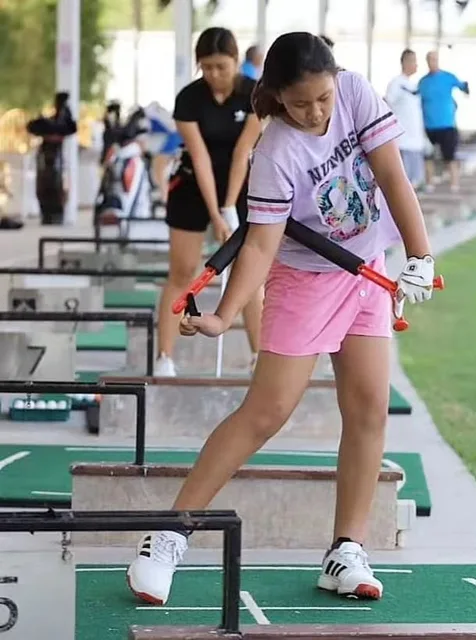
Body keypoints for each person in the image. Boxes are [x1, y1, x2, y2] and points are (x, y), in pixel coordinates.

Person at [126, 31, 435, 605]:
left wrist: (419, 255)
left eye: (322, 98)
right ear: (275, 96)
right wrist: (223, 316)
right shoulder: (273, 152)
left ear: (335, 80)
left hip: (363, 271)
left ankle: (346, 549)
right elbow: (263, 248)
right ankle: (168, 535)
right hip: (303, 283)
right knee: (266, 411)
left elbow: (393, 176)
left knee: (368, 407)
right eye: (300, 103)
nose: (315, 112)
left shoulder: (357, 94)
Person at [154, 27, 264, 376]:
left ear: (236, 61)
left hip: (243, 185)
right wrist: (216, 215)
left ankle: (258, 357)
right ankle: (165, 357)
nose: (215, 74)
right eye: (207, 67)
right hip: (191, 185)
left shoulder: (256, 95)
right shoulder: (189, 98)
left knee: (249, 274)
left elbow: (242, 152)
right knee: (183, 271)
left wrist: (229, 207)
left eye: (222, 66)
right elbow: (199, 157)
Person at [417, 50, 469, 192]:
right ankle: (429, 184)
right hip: (429, 125)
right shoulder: (423, 82)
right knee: (428, 156)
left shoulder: (448, 77)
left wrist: (466, 89)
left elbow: (463, 87)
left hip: (447, 124)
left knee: (450, 156)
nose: (432, 62)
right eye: (429, 60)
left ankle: (454, 184)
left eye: (434, 59)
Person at [384, 49, 426, 190]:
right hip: (403, 140)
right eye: (413, 61)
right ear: (405, 62)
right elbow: (387, 104)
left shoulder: (413, 85)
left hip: (416, 140)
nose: (416, 65)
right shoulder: (396, 84)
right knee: (404, 181)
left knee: (415, 180)